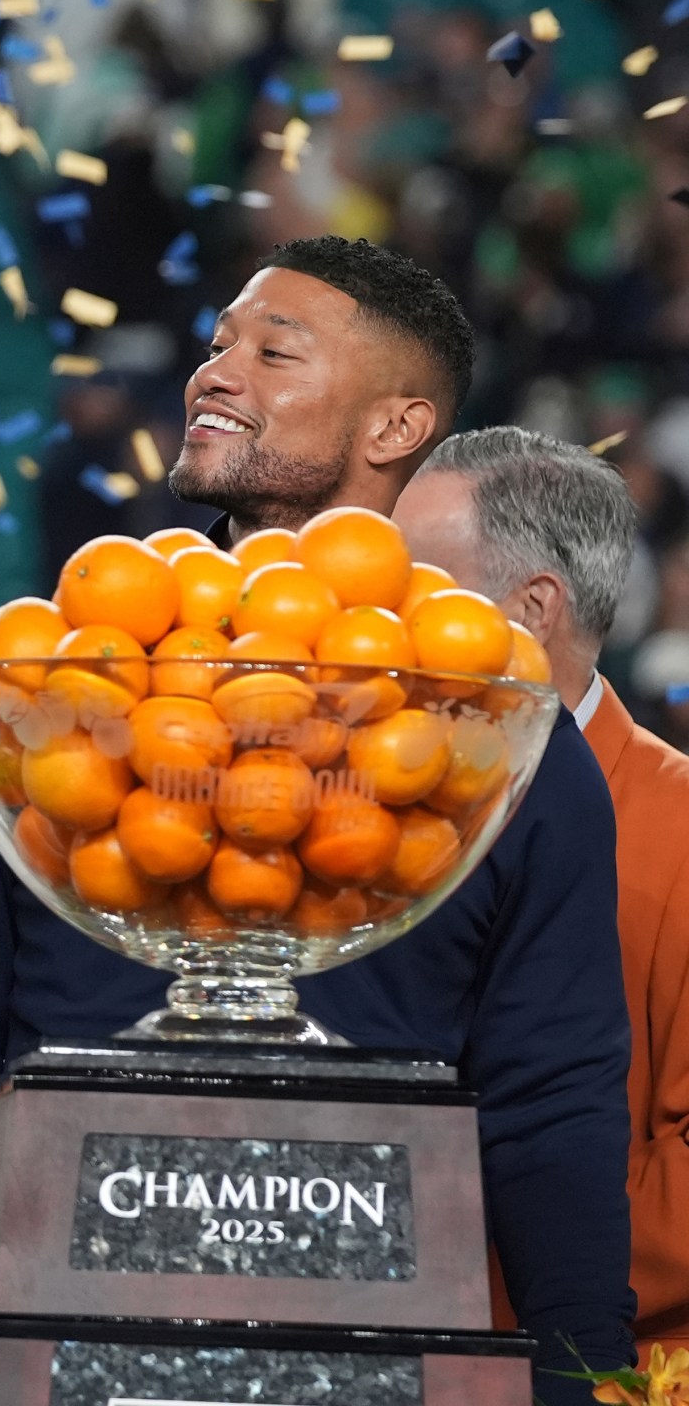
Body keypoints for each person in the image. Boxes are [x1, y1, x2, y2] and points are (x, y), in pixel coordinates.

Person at [0, 235, 635, 1399]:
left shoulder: (502, 737)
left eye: (274, 352)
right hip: (42, 1341)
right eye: (218, 343)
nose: (213, 373)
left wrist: (587, 1382)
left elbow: (550, 1100)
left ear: (393, 429)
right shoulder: (49, 687)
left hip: (368, 1355)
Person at [395, 426, 689, 1360]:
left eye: (411, 587)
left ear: (531, 611)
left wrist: (431, 1245)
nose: (369, 615)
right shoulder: (357, 809)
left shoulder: (680, 831)